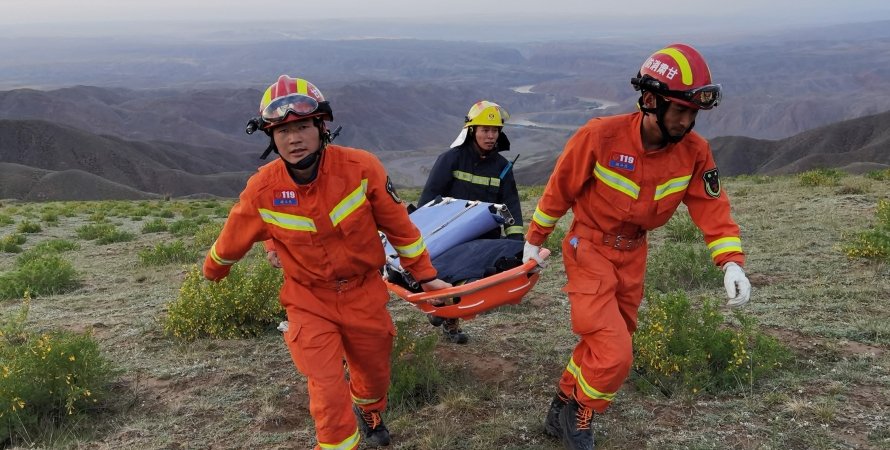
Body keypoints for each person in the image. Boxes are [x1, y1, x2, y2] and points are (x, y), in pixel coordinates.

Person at [521, 44, 752, 450]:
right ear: (649, 101)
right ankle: (581, 415)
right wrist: (534, 240)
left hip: (633, 255)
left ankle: (560, 406)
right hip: (588, 248)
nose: (687, 121)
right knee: (614, 352)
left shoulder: (695, 152)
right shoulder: (600, 136)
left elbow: (712, 207)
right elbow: (560, 189)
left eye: (693, 113)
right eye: (680, 110)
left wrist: (731, 262)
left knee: (605, 340)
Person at [203, 74, 451, 450]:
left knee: (374, 374)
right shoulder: (263, 189)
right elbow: (232, 238)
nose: (294, 138)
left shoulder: (361, 168)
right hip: (308, 301)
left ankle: (369, 410)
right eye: (282, 131)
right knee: (327, 389)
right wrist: (213, 270)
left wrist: (427, 277)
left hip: (365, 292)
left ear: (321, 126)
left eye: (302, 126)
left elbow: (401, 228)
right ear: (271, 138)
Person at [418, 100, 524, 344]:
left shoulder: (502, 167)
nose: (490, 136)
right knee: (450, 277)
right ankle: (447, 318)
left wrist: (516, 242)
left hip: (484, 238)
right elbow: (429, 200)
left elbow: (511, 204)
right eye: (485, 130)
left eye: (495, 130)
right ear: (472, 131)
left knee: (470, 282)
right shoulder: (451, 159)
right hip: (450, 235)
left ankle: (446, 314)